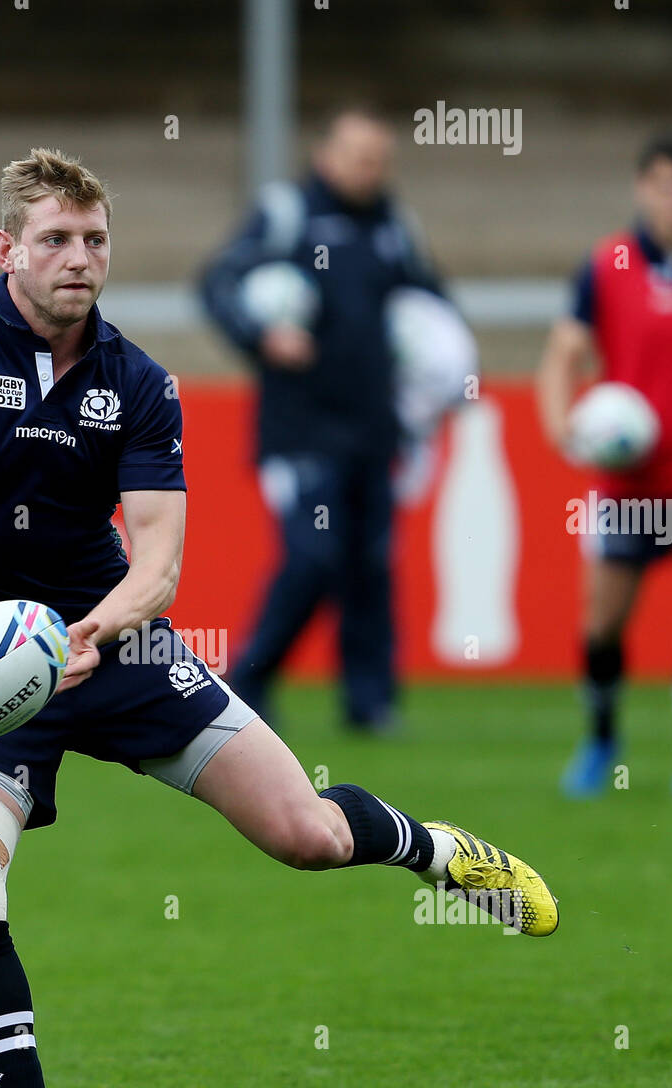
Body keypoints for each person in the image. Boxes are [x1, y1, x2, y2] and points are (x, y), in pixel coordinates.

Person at [0, 149, 557, 1088]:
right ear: (7, 250)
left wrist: (96, 628)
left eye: (94, 240)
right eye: (54, 240)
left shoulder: (137, 381)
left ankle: (439, 851)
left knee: (303, 835)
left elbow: (162, 562)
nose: (78, 259)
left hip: (116, 649)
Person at [200, 109, 443, 732]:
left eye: (380, 160)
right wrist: (262, 333)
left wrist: (436, 365)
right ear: (327, 155)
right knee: (313, 555)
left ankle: (370, 704)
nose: (371, 171)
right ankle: (248, 680)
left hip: (374, 428)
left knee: (370, 564)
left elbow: (430, 306)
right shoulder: (289, 214)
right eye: (360, 157)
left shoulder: (394, 224)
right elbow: (218, 281)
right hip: (302, 427)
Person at [537, 133, 672, 796]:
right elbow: (564, 352)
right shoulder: (608, 263)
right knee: (601, 624)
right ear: (642, 187)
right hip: (629, 483)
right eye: (664, 184)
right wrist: (562, 427)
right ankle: (599, 740)